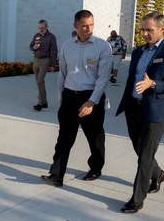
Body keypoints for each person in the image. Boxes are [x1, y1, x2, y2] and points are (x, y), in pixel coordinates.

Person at [116, 12, 164, 214]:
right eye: (142, 30)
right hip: (133, 108)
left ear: (162, 29)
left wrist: (153, 84)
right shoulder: (138, 52)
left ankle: (137, 199)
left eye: (149, 30)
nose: (144, 34)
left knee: (145, 155)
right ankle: (159, 174)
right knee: (139, 149)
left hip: (157, 110)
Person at [41, 10, 112, 187]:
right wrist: (60, 97)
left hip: (91, 97)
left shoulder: (103, 47)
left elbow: (103, 78)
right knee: (64, 137)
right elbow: (62, 75)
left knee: (94, 137)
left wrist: (92, 101)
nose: (89, 29)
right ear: (76, 26)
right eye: (84, 26)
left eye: (91, 25)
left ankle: (96, 168)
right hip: (69, 96)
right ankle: (56, 174)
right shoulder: (67, 46)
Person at [29, 20, 58, 111]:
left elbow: (54, 52)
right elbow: (30, 46)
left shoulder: (51, 37)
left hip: (45, 60)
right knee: (38, 81)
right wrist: (34, 47)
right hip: (36, 59)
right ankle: (44, 102)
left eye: (42, 28)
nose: (41, 30)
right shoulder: (36, 36)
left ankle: (40, 103)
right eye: (39, 28)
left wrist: (53, 65)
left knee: (40, 80)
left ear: (47, 27)